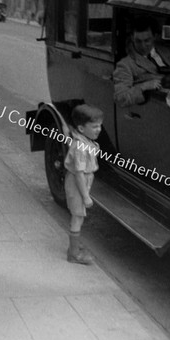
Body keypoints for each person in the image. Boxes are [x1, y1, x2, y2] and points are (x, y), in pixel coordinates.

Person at [113, 17, 170, 108]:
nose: (143, 46)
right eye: (138, 41)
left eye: (147, 40)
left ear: (155, 37)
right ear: (132, 38)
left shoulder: (167, 52)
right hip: (156, 108)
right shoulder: (125, 65)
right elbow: (120, 98)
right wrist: (143, 86)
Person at [64, 104, 104, 265]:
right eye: (94, 126)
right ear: (81, 128)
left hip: (81, 182)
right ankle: (73, 254)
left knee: (78, 216)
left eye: (100, 126)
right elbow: (79, 174)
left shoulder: (84, 140)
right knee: (78, 217)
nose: (99, 129)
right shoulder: (80, 147)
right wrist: (86, 196)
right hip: (77, 183)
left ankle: (74, 244)